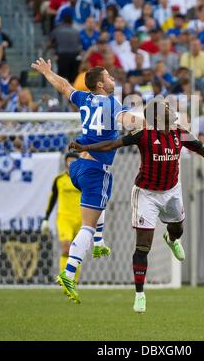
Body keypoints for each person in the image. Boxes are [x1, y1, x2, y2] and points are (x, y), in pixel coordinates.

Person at [70, 98, 204, 313]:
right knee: (143, 245)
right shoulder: (143, 134)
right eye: (166, 108)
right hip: (146, 194)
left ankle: (171, 240)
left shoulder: (179, 131)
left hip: (172, 191)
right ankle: (139, 295)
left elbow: (202, 149)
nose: (171, 110)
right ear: (156, 116)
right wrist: (85, 146)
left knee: (178, 229)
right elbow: (112, 144)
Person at [31, 58, 134, 303]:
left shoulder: (84, 99)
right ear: (100, 84)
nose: (112, 80)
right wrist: (154, 123)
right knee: (87, 226)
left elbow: (64, 86)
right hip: (95, 169)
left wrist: (47, 72)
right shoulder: (112, 103)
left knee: (101, 202)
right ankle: (68, 273)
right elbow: (128, 120)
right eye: (108, 77)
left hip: (77, 167)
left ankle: (99, 242)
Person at [40, 153, 111, 281]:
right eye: (69, 161)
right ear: (65, 163)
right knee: (66, 248)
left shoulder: (83, 178)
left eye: (74, 161)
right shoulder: (59, 180)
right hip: (64, 218)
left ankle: (73, 281)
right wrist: (46, 218)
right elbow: (52, 199)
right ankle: (64, 278)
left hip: (81, 218)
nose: (71, 163)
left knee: (77, 250)